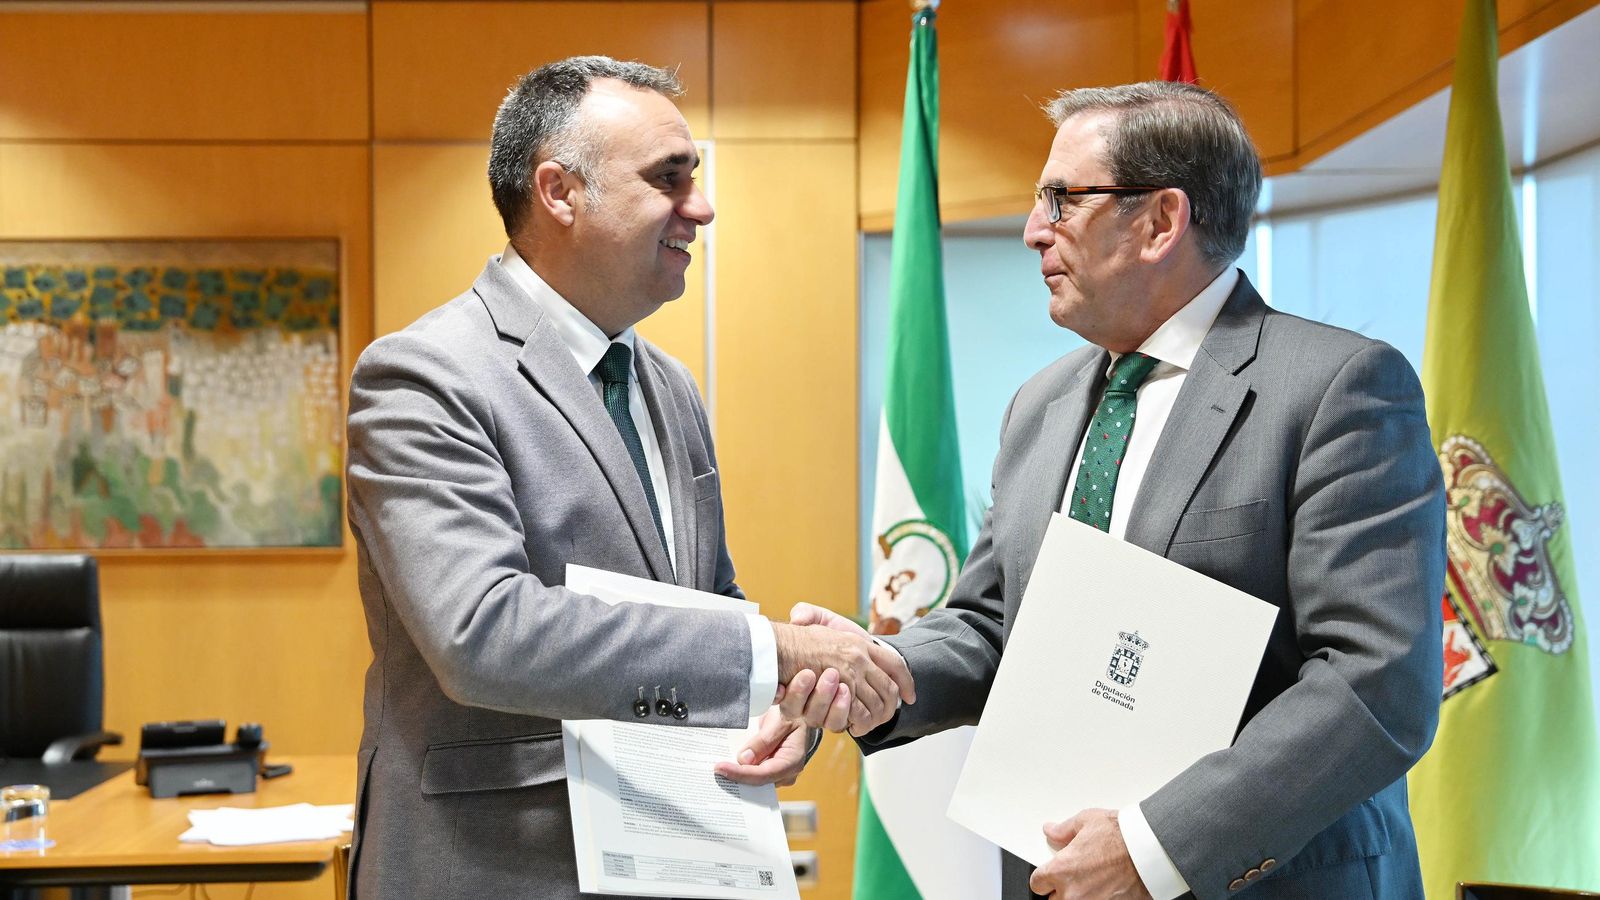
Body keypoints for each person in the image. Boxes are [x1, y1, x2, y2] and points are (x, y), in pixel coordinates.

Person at [756, 81, 1445, 899]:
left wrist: (1157, 848)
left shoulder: (1340, 389)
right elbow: (993, 622)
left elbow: (1377, 682)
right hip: (1053, 866)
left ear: (1160, 221)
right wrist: (868, 671)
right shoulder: (1039, 404)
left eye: (1062, 198)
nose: (1031, 231)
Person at [344, 56, 907, 899]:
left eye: (697, 177)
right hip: (495, 868)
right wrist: (772, 651)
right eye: (668, 178)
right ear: (560, 192)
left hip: (675, 858)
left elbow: (700, 605)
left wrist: (771, 707)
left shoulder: (666, 384)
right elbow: (482, 633)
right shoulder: (424, 377)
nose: (702, 206)